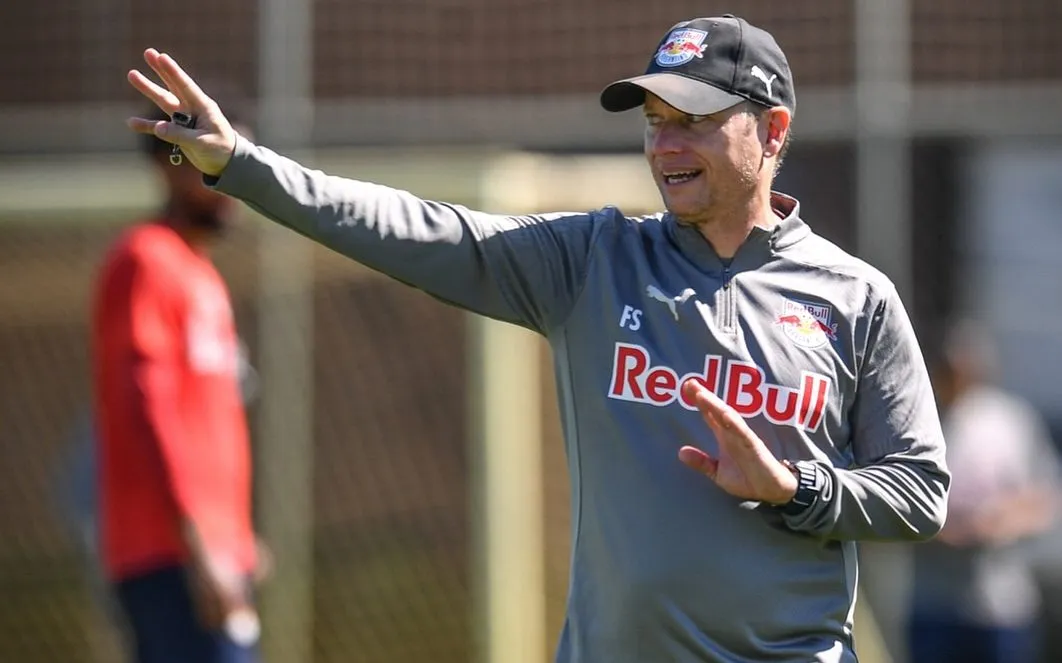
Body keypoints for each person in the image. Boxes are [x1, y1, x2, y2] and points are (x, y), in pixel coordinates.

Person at [125, 14, 950, 663]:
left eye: (694, 120)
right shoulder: (591, 260)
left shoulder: (856, 297)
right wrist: (240, 163)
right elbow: (417, 231)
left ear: (772, 131)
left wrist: (796, 487)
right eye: (655, 120)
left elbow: (921, 492)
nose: (664, 145)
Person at [91, 95, 269, 663]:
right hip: (171, 556)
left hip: (213, 551)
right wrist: (200, 546)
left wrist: (235, 536)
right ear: (168, 166)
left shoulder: (203, 277)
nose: (228, 177)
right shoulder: (144, 261)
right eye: (211, 160)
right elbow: (152, 412)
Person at [907, 319, 1062, 663]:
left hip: (999, 603)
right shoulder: (915, 421)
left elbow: (1043, 498)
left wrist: (995, 524)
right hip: (932, 601)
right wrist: (938, 530)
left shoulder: (1009, 420)